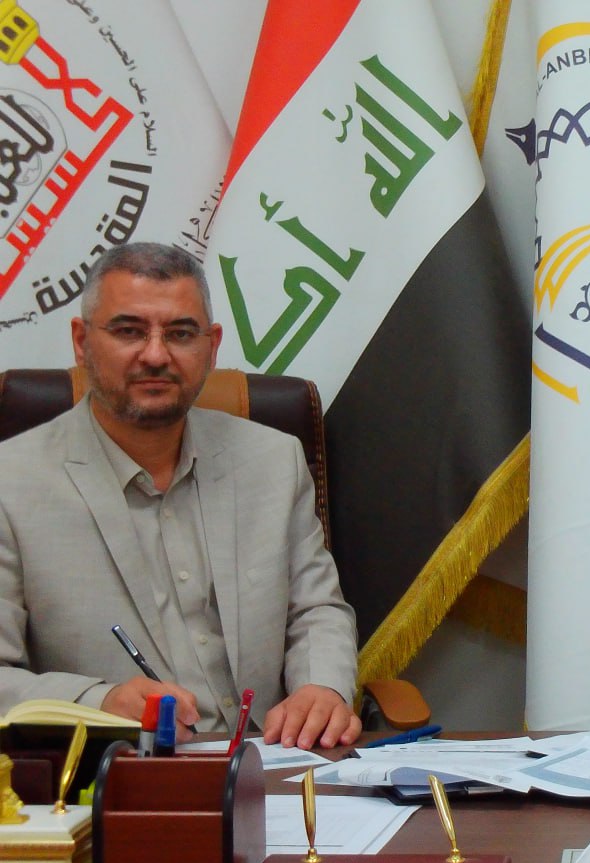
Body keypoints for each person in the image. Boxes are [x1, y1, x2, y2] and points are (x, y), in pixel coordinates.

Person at [0, 243, 361, 751]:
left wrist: (321, 687)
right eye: (129, 331)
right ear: (81, 342)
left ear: (211, 348)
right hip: (113, 772)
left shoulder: (273, 460)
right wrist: (99, 702)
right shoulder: (11, 482)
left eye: (180, 334)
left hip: (274, 764)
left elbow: (316, 610)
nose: (155, 355)